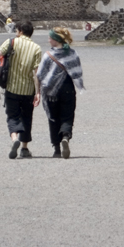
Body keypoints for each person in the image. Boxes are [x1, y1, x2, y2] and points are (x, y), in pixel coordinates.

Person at [0, 21, 43, 159]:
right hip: (28, 90)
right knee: (27, 117)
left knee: (12, 116)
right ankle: (24, 148)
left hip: (12, 87)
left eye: (16, 30)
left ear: (20, 31)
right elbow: (37, 73)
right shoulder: (36, 48)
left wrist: (1, 67)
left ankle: (14, 139)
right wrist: (38, 92)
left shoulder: (11, 42)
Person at [35, 26, 85, 158]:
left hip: (51, 91)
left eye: (50, 38)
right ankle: (65, 136)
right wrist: (79, 84)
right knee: (67, 115)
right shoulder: (72, 53)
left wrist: (38, 92)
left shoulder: (48, 55)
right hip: (68, 88)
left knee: (53, 118)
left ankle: (57, 149)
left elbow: (39, 74)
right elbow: (77, 71)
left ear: (56, 40)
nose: (48, 40)